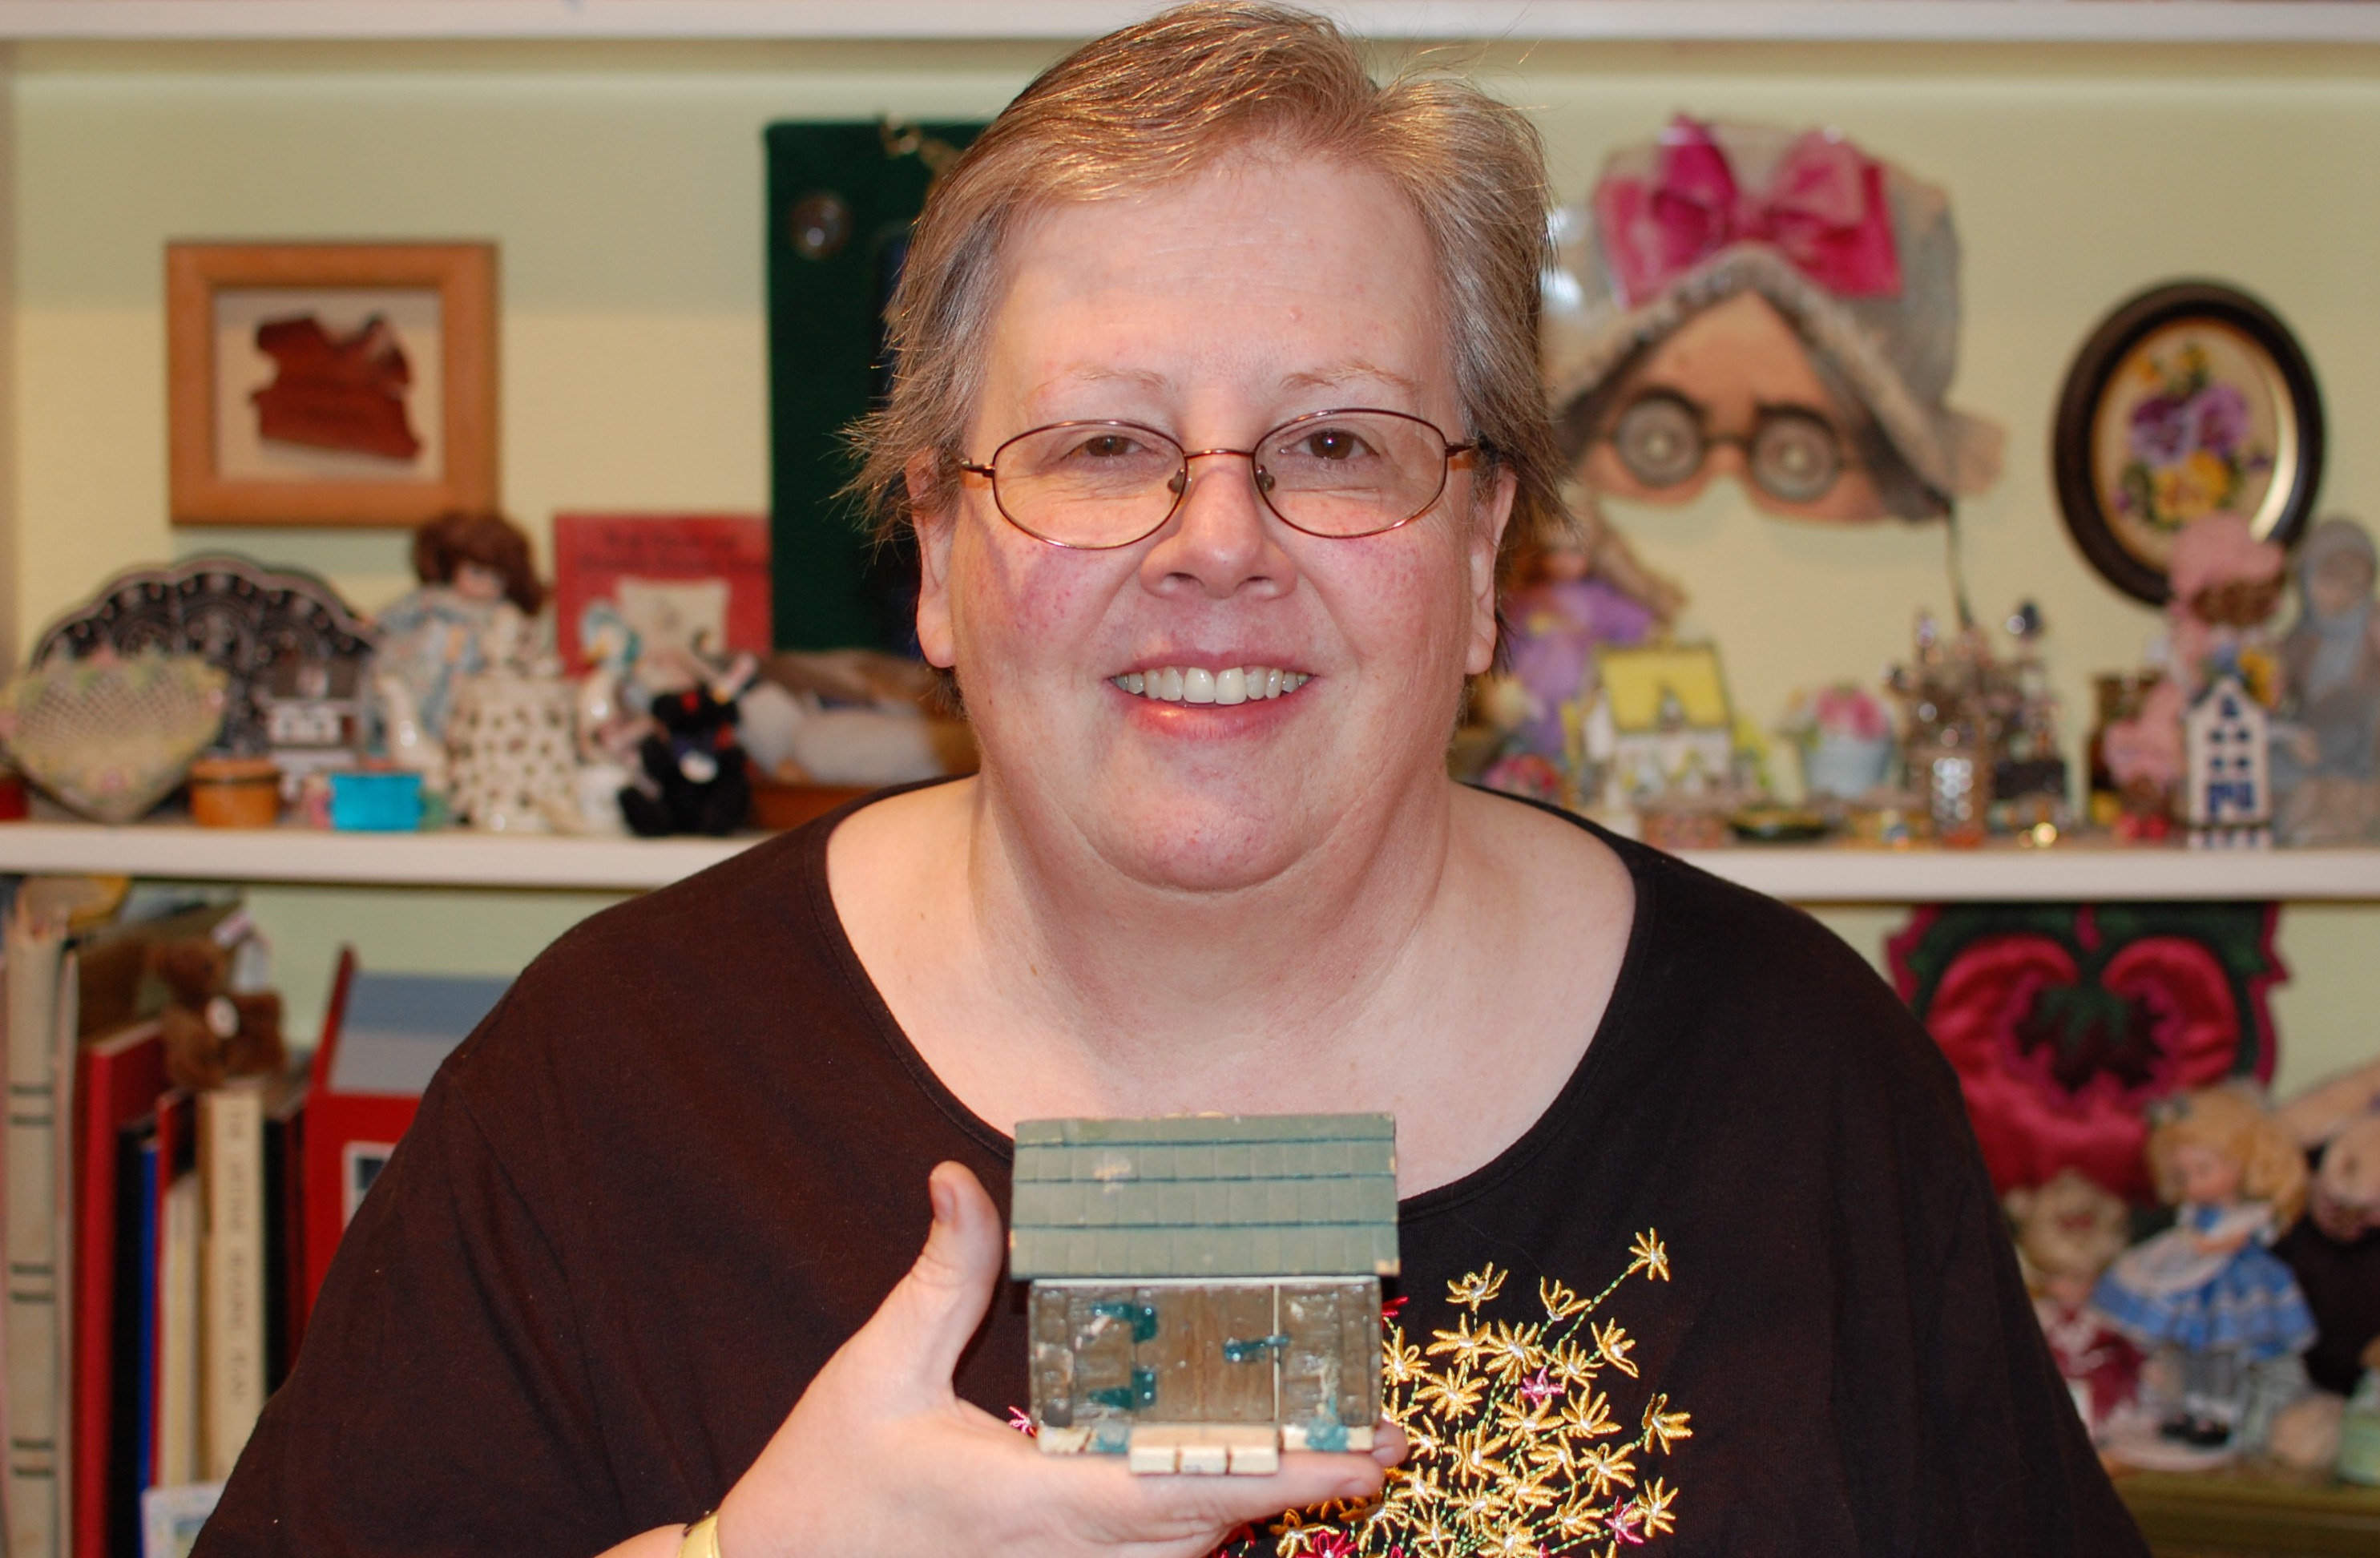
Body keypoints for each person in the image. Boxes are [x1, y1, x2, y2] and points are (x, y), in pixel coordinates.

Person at [196, 6, 2144, 1555]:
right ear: (938, 554)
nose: (1220, 543)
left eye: (1337, 443)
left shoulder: (1802, 1085)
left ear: (1484, 556)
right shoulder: (607, 1091)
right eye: (1106, 446)